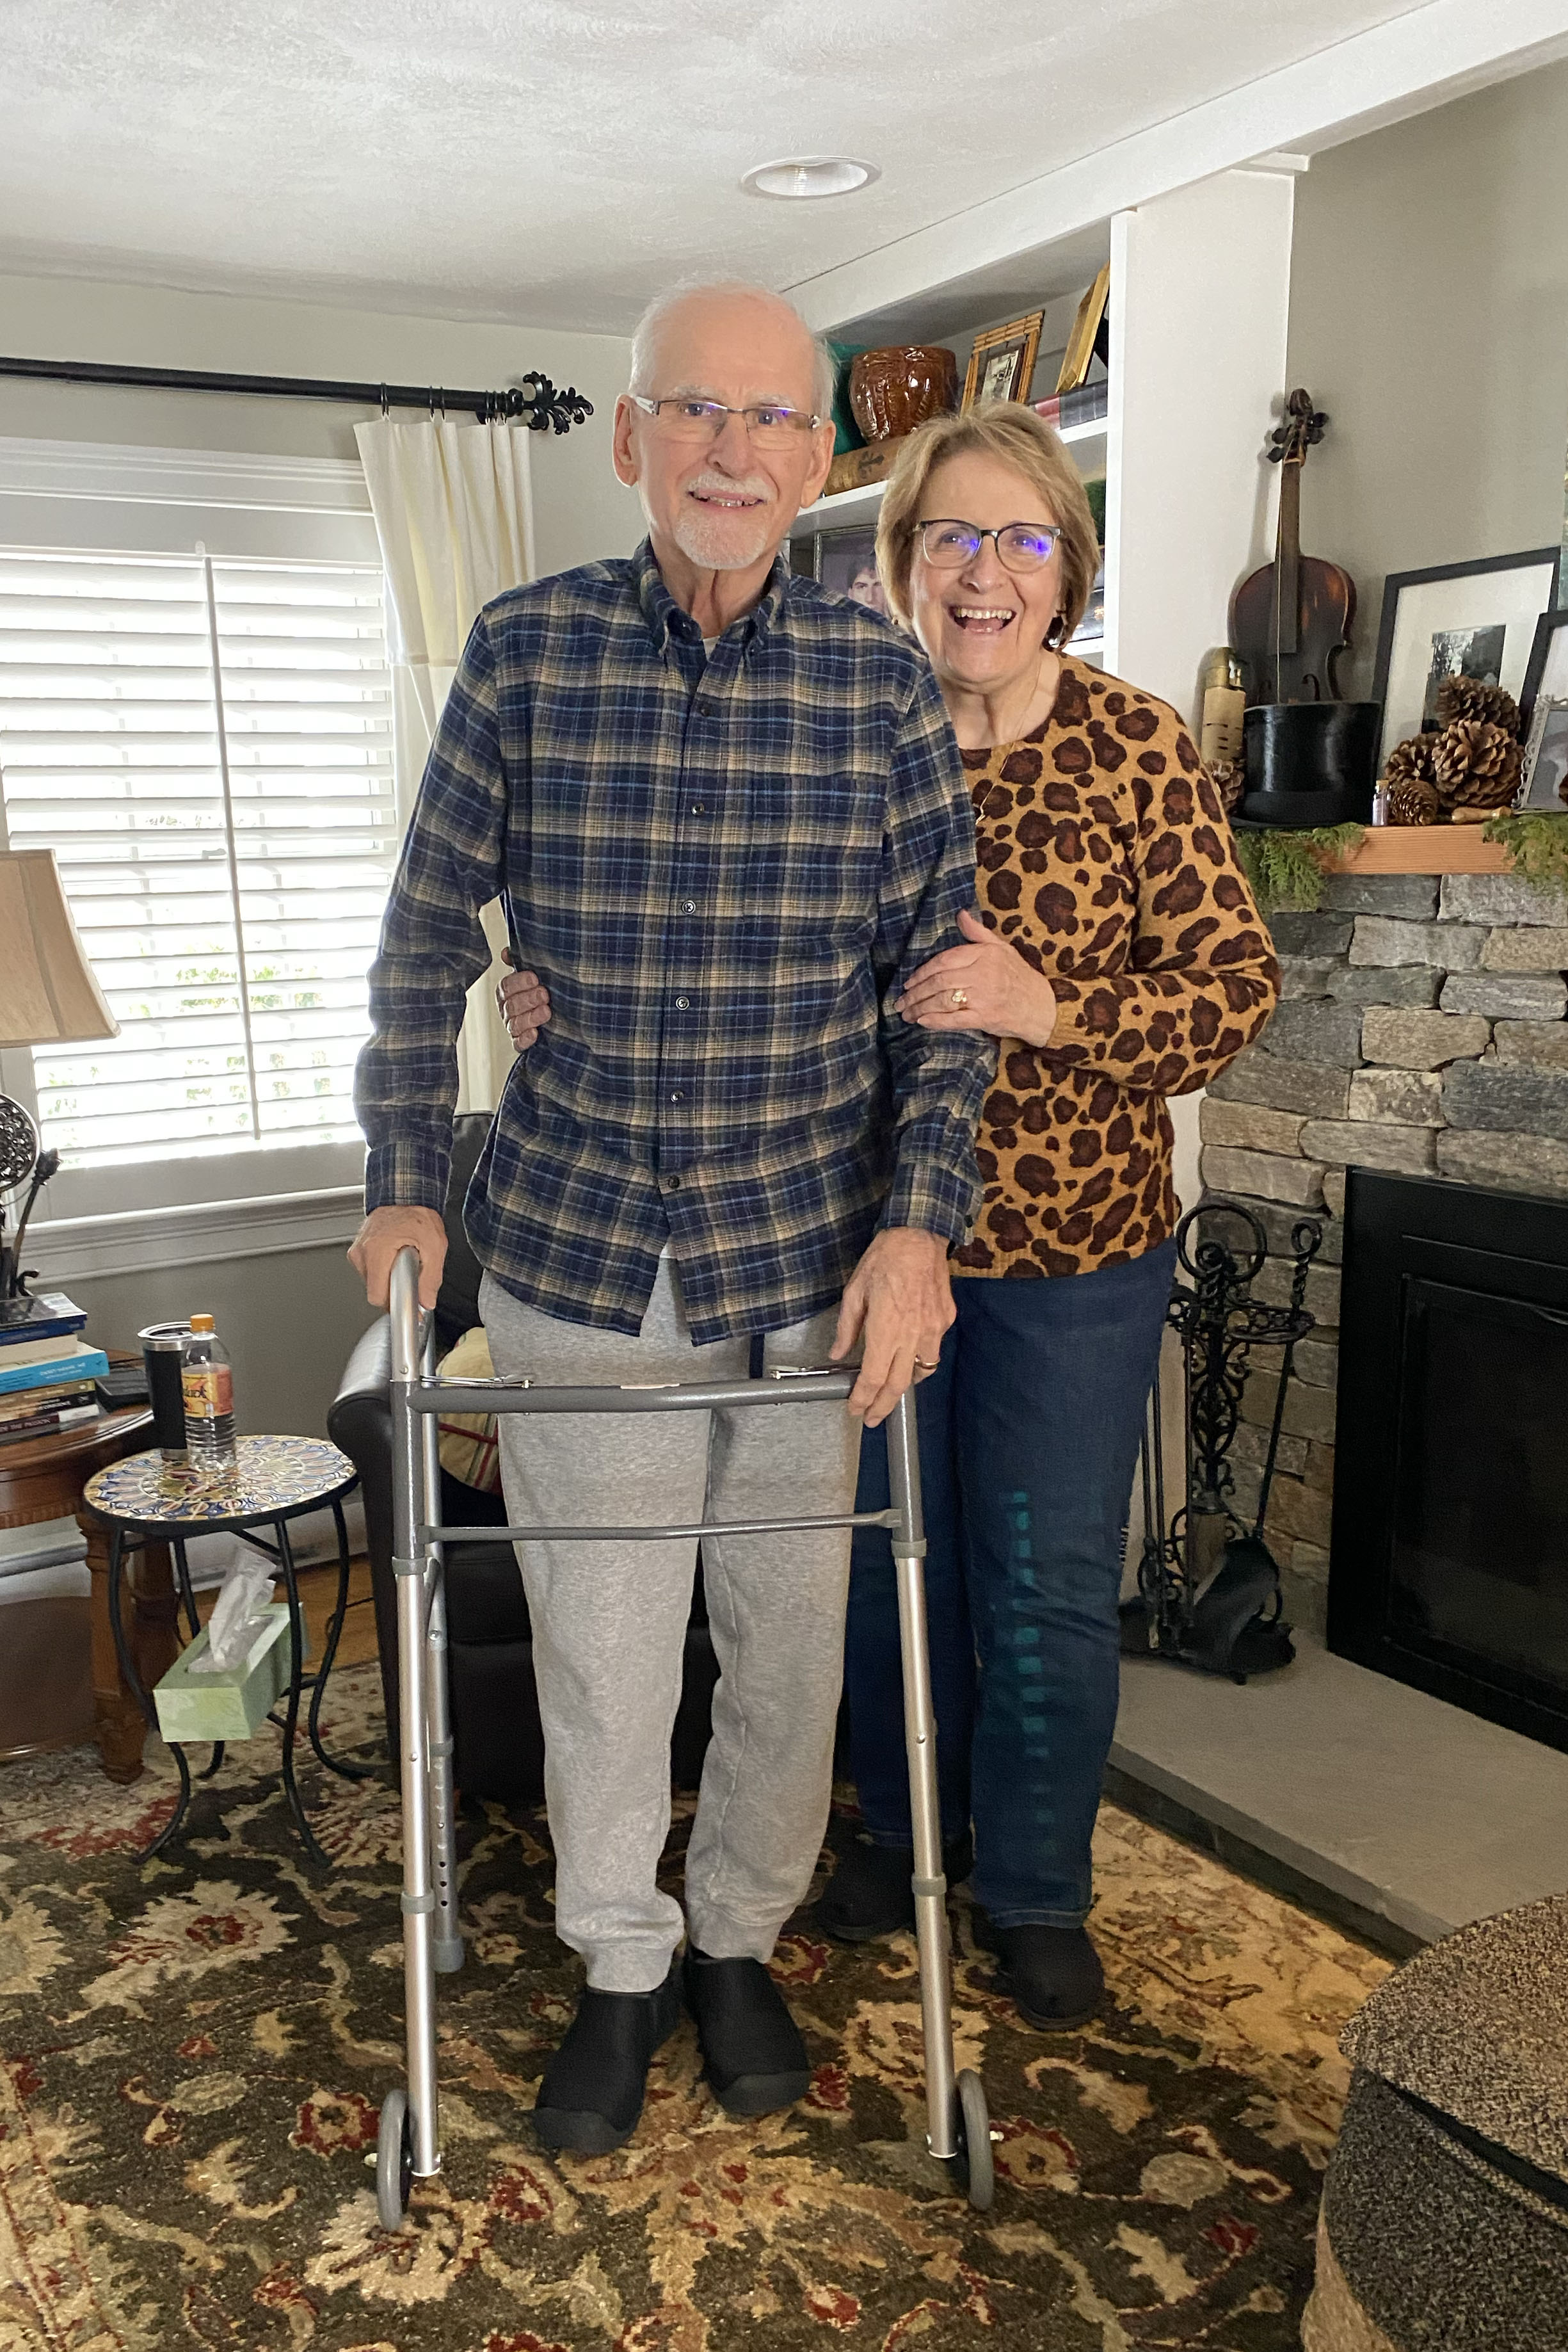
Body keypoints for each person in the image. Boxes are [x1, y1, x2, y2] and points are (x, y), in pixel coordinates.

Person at [349, 280, 994, 2159]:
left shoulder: (878, 681)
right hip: (580, 1248)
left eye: (774, 417)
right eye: (696, 411)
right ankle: (620, 1961)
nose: (734, 450)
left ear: (819, 452)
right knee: (609, 1649)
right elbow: (424, 943)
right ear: (631, 436)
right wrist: (404, 1174)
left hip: (811, 1261)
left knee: (788, 1648)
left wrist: (918, 1228)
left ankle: (736, 1941)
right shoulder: (526, 650)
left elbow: (942, 990)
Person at [815, 405, 1279, 2027]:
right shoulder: (841, 738)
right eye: (950, 534)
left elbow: (1233, 991)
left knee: (1045, 1579)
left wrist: (1052, 1006)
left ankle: (1031, 1885)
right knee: (884, 1562)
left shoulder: (1135, 745)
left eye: (1020, 539)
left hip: (1080, 1257)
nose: (983, 571)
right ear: (901, 563)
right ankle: (897, 1832)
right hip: (871, 1240)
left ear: (1065, 572)